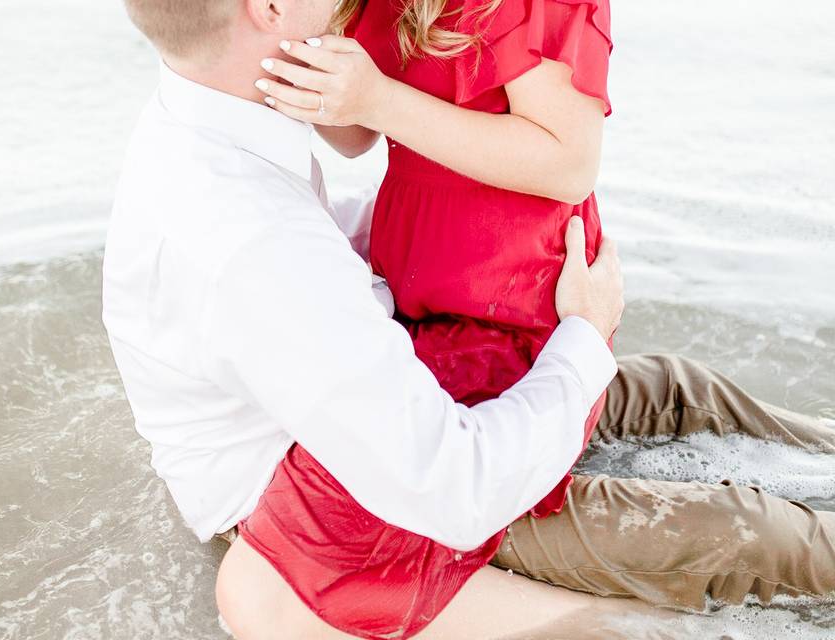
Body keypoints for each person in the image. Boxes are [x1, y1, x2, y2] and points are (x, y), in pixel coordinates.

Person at [101, 0, 835, 638]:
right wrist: (582, 334)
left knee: (675, 389)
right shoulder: (250, 240)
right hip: (342, 496)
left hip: (371, 414)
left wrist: (445, 248)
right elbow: (450, 486)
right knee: (748, 534)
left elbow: (308, 254)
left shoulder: (207, 121)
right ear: (268, 8)